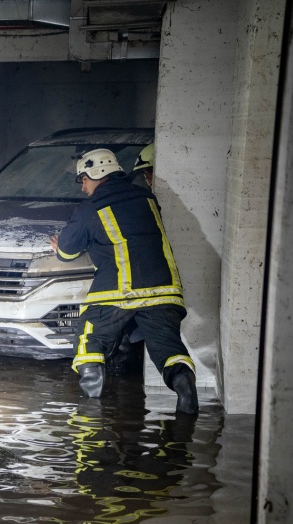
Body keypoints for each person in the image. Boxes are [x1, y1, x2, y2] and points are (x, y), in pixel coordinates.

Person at [48, 148, 198, 415]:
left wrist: (60, 248)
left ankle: (91, 416)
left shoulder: (90, 207)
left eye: (84, 179)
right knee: (168, 350)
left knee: (90, 341)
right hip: (165, 290)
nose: (83, 187)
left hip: (117, 292)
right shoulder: (147, 198)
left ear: (97, 174)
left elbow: (67, 251)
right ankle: (186, 396)